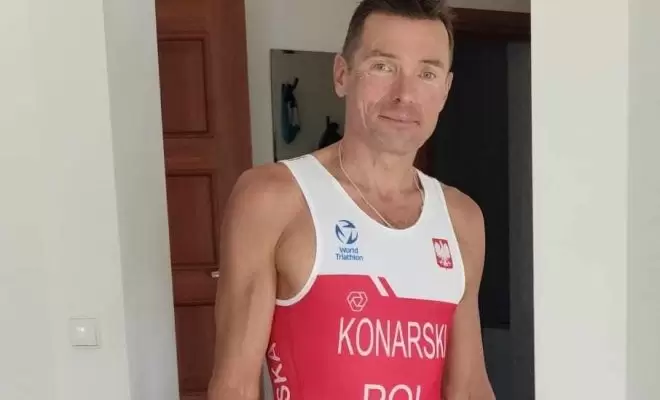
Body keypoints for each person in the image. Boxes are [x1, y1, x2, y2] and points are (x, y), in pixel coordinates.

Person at [208, 0, 495, 399]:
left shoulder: (462, 218)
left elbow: (469, 387)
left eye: (426, 73)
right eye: (383, 66)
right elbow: (234, 385)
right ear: (342, 75)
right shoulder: (274, 198)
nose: (405, 94)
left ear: (445, 91)